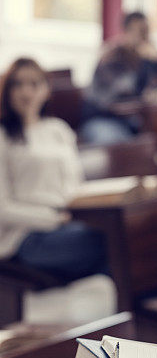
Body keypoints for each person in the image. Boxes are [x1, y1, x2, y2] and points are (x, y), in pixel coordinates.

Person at [0, 58, 107, 281]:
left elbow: (76, 185)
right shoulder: (3, 137)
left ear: (46, 90)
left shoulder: (58, 129)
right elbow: (3, 207)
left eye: (34, 84)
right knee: (104, 243)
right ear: (7, 90)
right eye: (18, 84)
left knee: (124, 235)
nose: (26, 92)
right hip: (25, 234)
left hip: (69, 221)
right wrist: (55, 218)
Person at [80, 10, 157, 144]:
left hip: (133, 120)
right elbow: (126, 90)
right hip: (103, 119)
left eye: (146, 31)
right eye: (139, 31)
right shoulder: (112, 57)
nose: (143, 37)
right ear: (126, 31)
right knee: (122, 145)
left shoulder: (150, 56)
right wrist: (146, 63)